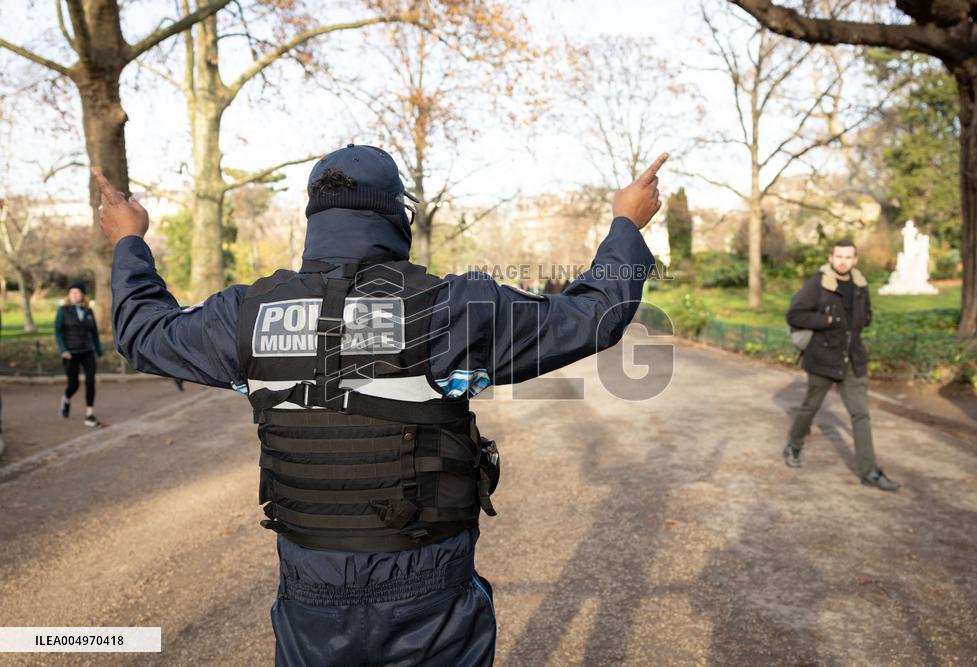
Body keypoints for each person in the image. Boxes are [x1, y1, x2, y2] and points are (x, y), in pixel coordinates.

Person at [92, 145, 665, 665]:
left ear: (313, 219)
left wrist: (128, 240)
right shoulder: (451, 307)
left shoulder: (245, 315)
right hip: (427, 582)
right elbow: (596, 315)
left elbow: (143, 331)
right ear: (398, 218)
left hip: (310, 582)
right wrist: (626, 225)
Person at [784, 239, 900, 491]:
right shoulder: (818, 284)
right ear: (831, 257)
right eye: (839, 256)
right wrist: (826, 319)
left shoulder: (860, 284)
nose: (843, 261)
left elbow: (866, 314)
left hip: (853, 359)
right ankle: (793, 445)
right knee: (810, 407)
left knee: (861, 413)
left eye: (848, 257)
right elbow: (794, 315)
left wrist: (864, 318)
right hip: (823, 358)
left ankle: (869, 471)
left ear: (855, 259)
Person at [55, 281, 103, 426]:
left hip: (88, 351)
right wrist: (64, 350)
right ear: (69, 295)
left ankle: (89, 414)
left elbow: (94, 332)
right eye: (72, 292)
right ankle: (66, 399)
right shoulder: (63, 311)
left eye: (78, 292)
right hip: (71, 353)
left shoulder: (89, 311)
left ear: (83, 295)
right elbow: (58, 332)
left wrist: (99, 351)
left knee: (90, 381)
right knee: (73, 384)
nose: (75, 295)